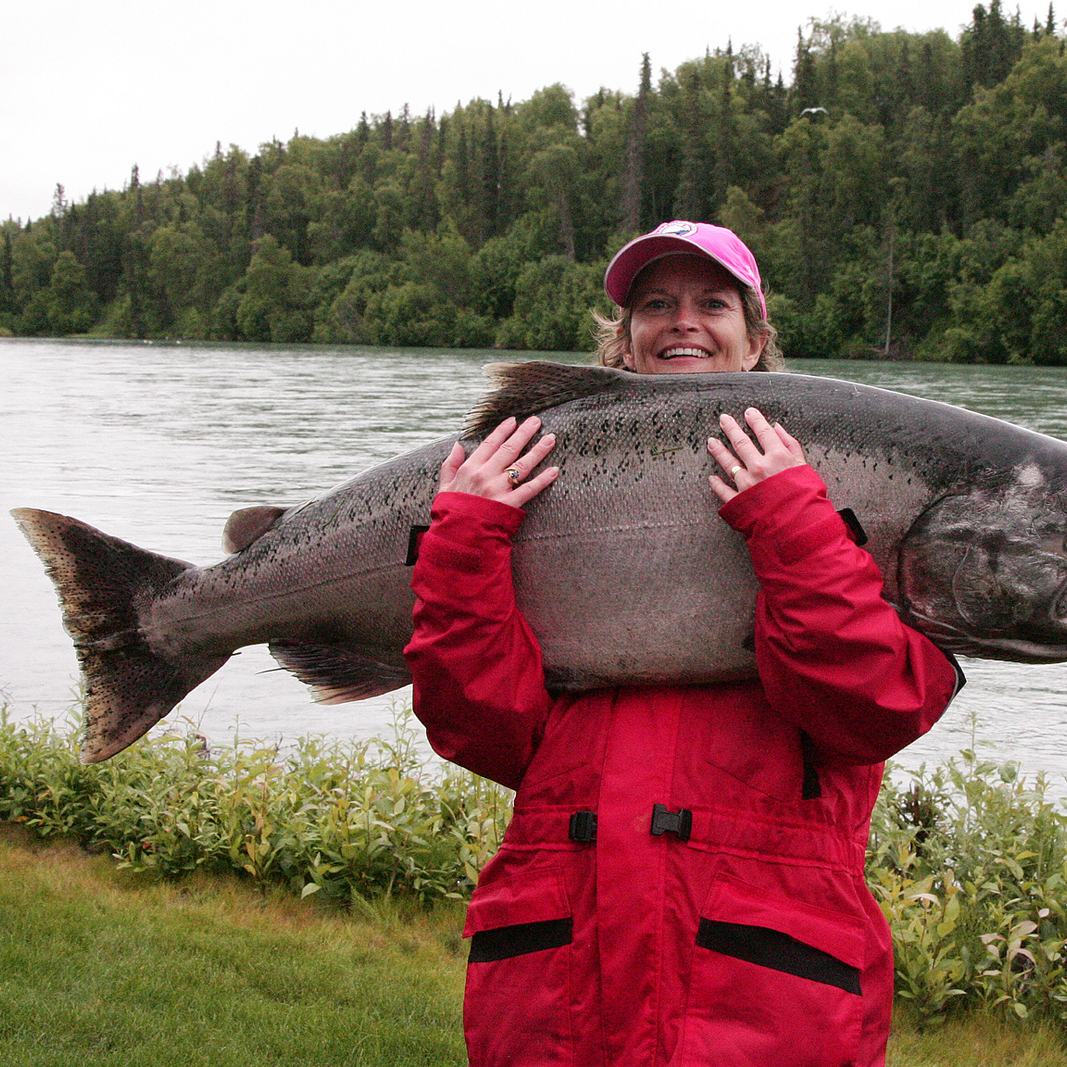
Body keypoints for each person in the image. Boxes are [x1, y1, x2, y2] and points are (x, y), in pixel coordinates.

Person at [403, 220, 962, 1067]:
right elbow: (480, 728)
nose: (684, 321)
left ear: (756, 337)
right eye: (656, 304)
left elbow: (876, 708)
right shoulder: (521, 478)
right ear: (622, 344)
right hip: (558, 996)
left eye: (713, 302)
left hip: (762, 1006)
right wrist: (465, 538)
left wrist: (789, 520)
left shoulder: (849, 485)